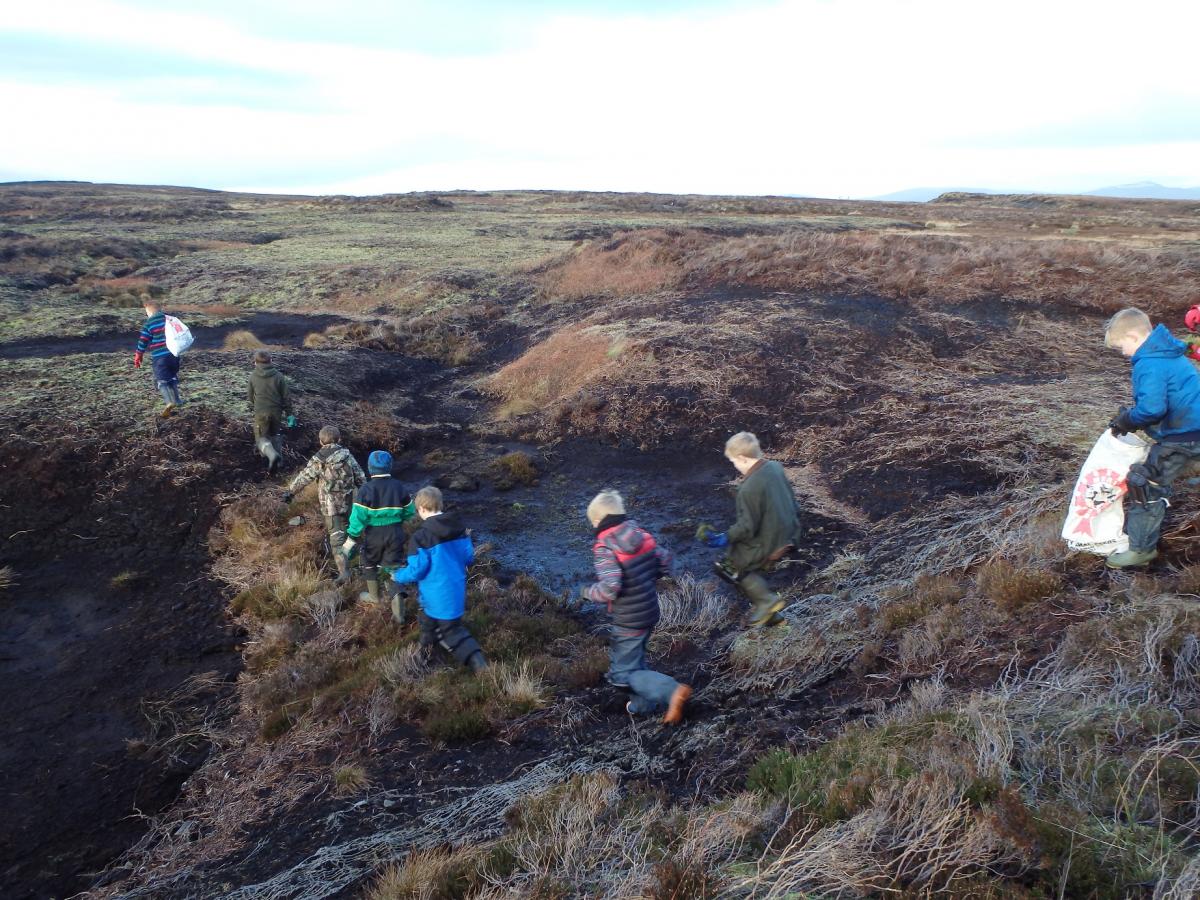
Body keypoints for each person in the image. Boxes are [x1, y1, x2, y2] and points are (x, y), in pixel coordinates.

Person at [580, 489, 691, 725]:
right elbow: (666, 561)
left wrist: (588, 593)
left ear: (598, 521)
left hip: (628, 619)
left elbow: (610, 588)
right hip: (650, 611)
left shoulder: (605, 547)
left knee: (622, 675)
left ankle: (671, 691)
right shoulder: (639, 534)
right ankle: (642, 706)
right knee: (635, 660)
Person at [1104, 308, 1200, 568]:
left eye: (1122, 346)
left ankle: (1141, 550)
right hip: (1194, 427)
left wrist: (1127, 420)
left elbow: (1152, 409)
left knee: (1144, 482)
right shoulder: (1168, 352)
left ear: (1135, 336)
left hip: (1185, 435)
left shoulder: (1150, 362)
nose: (1124, 353)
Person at [695, 431, 801, 626]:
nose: (734, 466)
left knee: (728, 566)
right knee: (739, 561)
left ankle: (768, 603)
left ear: (742, 458)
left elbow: (746, 528)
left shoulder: (749, 488)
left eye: (734, 461)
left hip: (772, 540)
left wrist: (723, 537)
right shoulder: (775, 467)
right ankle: (771, 616)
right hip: (791, 531)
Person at [391, 486, 486, 671]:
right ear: (440, 504)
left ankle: (479, 663)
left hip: (437, 594)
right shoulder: (459, 529)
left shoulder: (421, 537)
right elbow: (469, 557)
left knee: (451, 632)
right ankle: (427, 654)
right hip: (455, 590)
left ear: (422, 509)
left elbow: (417, 570)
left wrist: (398, 576)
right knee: (427, 621)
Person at [283, 425, 366, 585]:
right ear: (339, 439)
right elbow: (361, 477)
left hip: (330, 507)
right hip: (349, 503)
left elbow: (304, 477)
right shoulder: (347, 456)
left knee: (336, 538)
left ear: (321, 442)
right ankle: (358, 561)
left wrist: (290, 492)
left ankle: (345, 573)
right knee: (352, 531)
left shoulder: (318, 459)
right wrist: (367, 496)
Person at [342, 450, 415, 613]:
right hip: (395, 533)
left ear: (369, 468)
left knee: (369, 562)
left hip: (374, 534)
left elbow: (358, 518)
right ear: (390, 467)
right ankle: (397, 603)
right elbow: (410, 511)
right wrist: (398, 519)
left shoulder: (366, 489)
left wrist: (351, 537)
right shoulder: (399, 487)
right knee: (392, 566)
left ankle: (374, 597)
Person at [133, 300, 182, 417]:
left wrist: (139, 354)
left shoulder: (149, 324)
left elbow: (143, 341)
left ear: (149, 312)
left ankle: (169, 402)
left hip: (160, 357)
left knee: (161, 380)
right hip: (174, 355)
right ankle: (178, 400)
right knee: (172, 377)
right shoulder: (169, 319)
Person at [248, 350, 294, 475]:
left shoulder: (253, 376)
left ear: (255, 363)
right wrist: (289, 414)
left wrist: (256, 405)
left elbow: (250, 397)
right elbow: (286, 397)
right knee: (275, 435)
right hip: (276, 412)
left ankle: (272, 456)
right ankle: (279, 463)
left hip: (261, 412)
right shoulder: (279, 376)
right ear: (271, 361)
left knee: (261, 438)